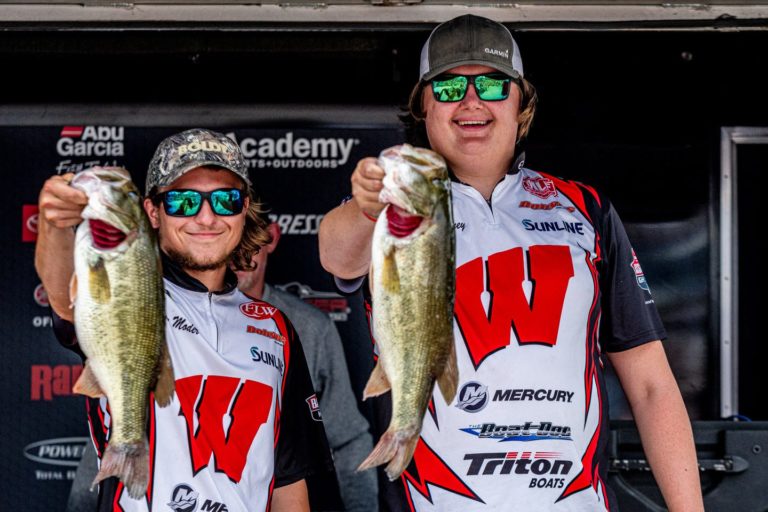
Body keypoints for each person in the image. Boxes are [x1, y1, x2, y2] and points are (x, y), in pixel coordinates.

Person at [318, 14, 704, 512]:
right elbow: (336, 254)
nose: (471, 101)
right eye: (450, 86)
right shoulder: (397, 205)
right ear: (423, 105)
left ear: (521, 103)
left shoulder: (585, 210)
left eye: (493, 85)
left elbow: (651, 386)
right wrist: (367, 205)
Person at [36, 128, 333, 512]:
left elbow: (288, 480)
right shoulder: (132, 289)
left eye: (225, 200)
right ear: (153, 212)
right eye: (183, 201)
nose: (206, 217)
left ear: (244, 209)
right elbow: (64, 298)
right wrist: (55, 224)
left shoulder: (275, 328)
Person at [234, 219, 379, 512]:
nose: (241, 251)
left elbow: (347, 439)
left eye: (252, 236)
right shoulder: (174, 321)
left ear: (271, 237)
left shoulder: (309, 328)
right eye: (235, 236)